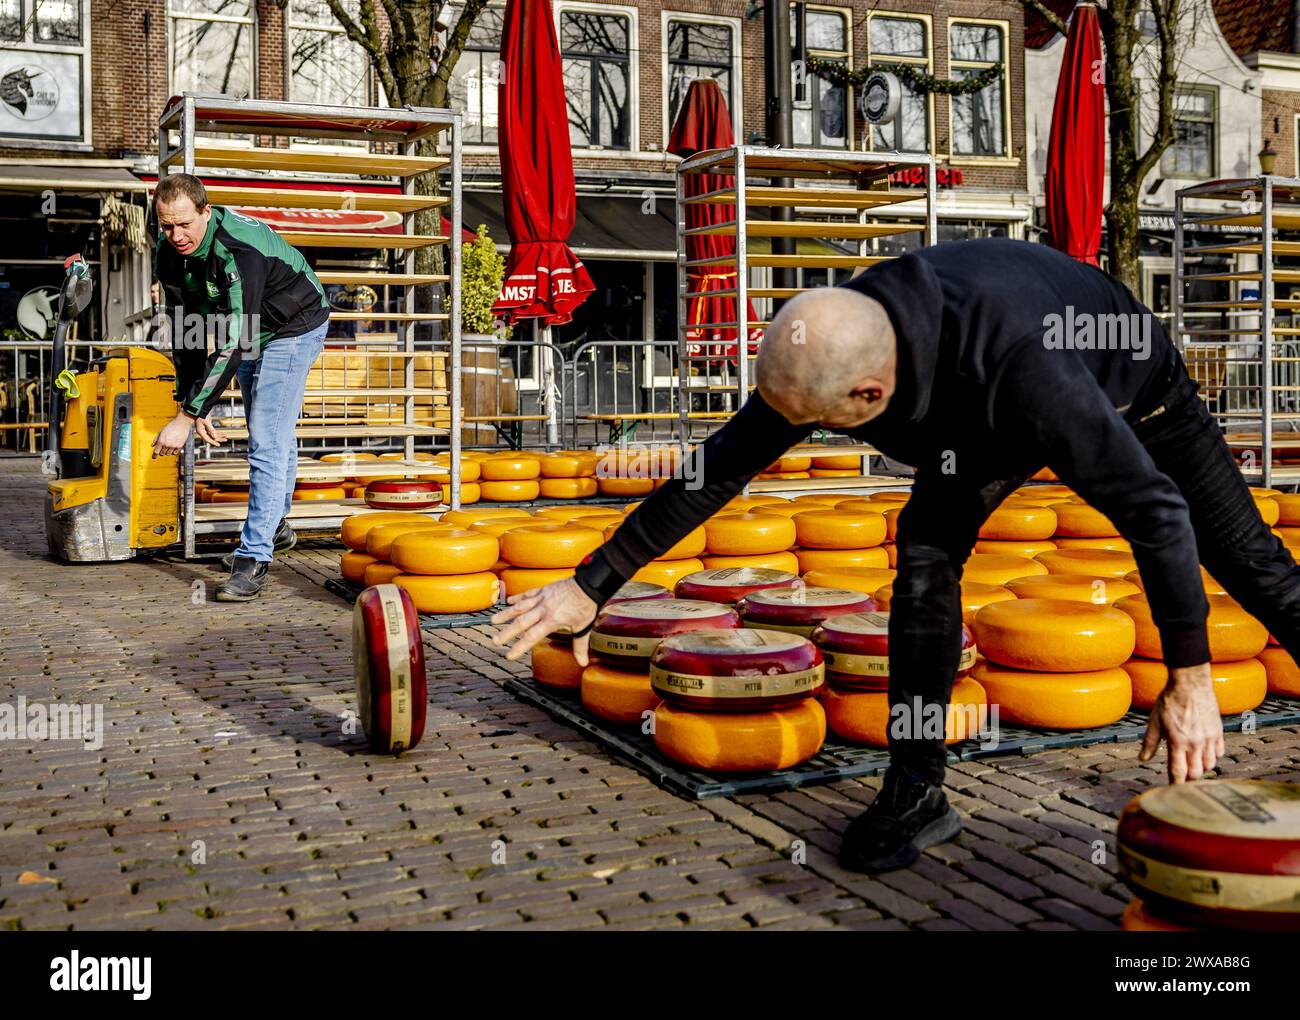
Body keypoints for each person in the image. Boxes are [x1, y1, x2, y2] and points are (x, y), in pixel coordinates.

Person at [492, 237, 1299, 873]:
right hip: (973, 415)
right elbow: (717, 470)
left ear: (870, 399)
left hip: (1130, 391)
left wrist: (1190, 681)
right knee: (924, 562)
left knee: (1246, 558)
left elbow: (1154, 514)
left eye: (824, 425)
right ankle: (917, 787)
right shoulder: (837, 339)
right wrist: (588, 582)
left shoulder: (1023, 363)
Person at [151, 174, 330, 600]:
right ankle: (275, 527)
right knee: (271, 435)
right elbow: (185, 330)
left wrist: (186, 417)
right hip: (255, 330)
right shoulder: (169, 253)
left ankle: (253, 557)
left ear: (205, 213)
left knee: (265, 440)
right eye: (166, 226)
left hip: (295, 326)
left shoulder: (238, 249)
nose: (176, 235)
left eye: (185, 224)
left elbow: (234, 341)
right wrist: (192, 397)